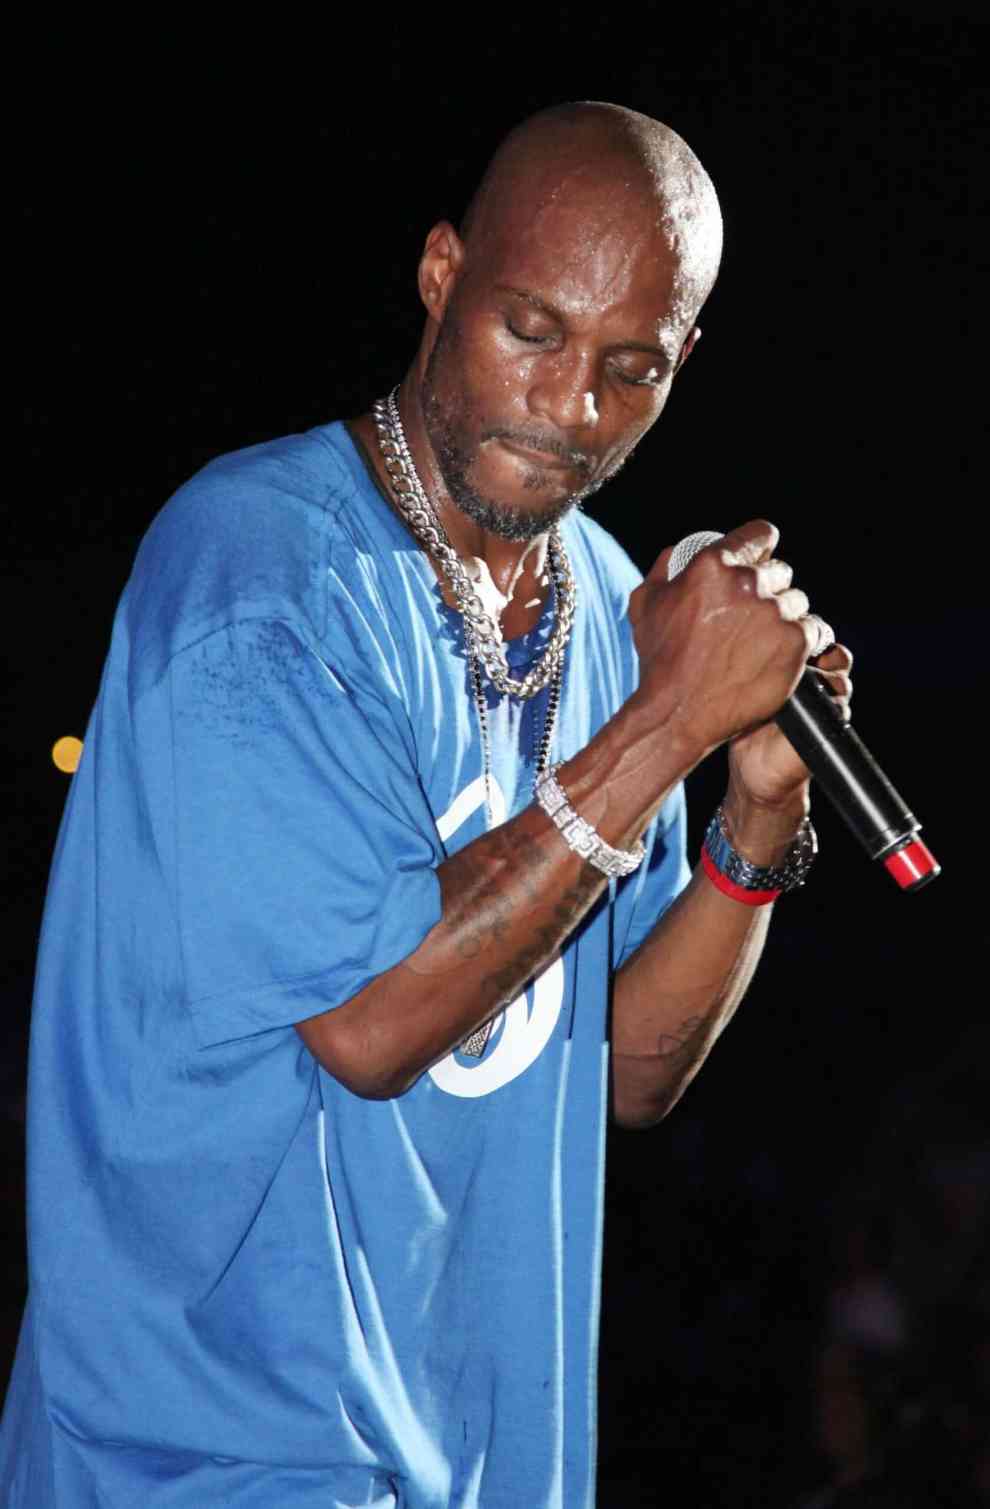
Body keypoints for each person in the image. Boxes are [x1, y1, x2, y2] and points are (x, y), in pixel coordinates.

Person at [0, 101, 852, 1507]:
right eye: (532, 331)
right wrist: (663, 721)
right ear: (443, 273)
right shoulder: (262, 570)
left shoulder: (597, 590)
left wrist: (750, 814)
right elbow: (371, 1026)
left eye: (629, 368)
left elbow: (624, 1065)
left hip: (468, 1460)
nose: (570, 407)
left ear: (682, 360)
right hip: (203, 1451)